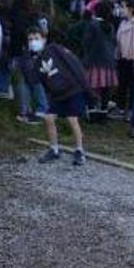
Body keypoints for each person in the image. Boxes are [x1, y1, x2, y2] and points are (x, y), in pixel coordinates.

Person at [30, 27, 92, 166]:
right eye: (30, 39)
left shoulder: (54, 49)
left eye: (36, 38)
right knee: (49, 118)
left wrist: (84, 86)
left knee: (72, 119)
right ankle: (53, 148)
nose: (33, 42)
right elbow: (34, 78)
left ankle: (79, 150)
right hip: (58, 94)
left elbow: (73, 63)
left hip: (73, 89)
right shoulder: (38, 59)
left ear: (44, 39)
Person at [7, 0, 49, 123]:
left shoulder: (16, 11)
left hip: (18, 50)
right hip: (30, 50)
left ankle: (26, 111)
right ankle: (42, 108)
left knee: (22, 81)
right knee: (33, 80)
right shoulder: (33, 13)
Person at [83, 1, 120, 118]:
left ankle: (92, 110)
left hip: (94, 60)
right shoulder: (111, 26)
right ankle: (104, 110)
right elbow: (114, 42)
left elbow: (86, 42)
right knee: (106, 88)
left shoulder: (92, 24)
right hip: (108, 61)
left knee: (91, 86)